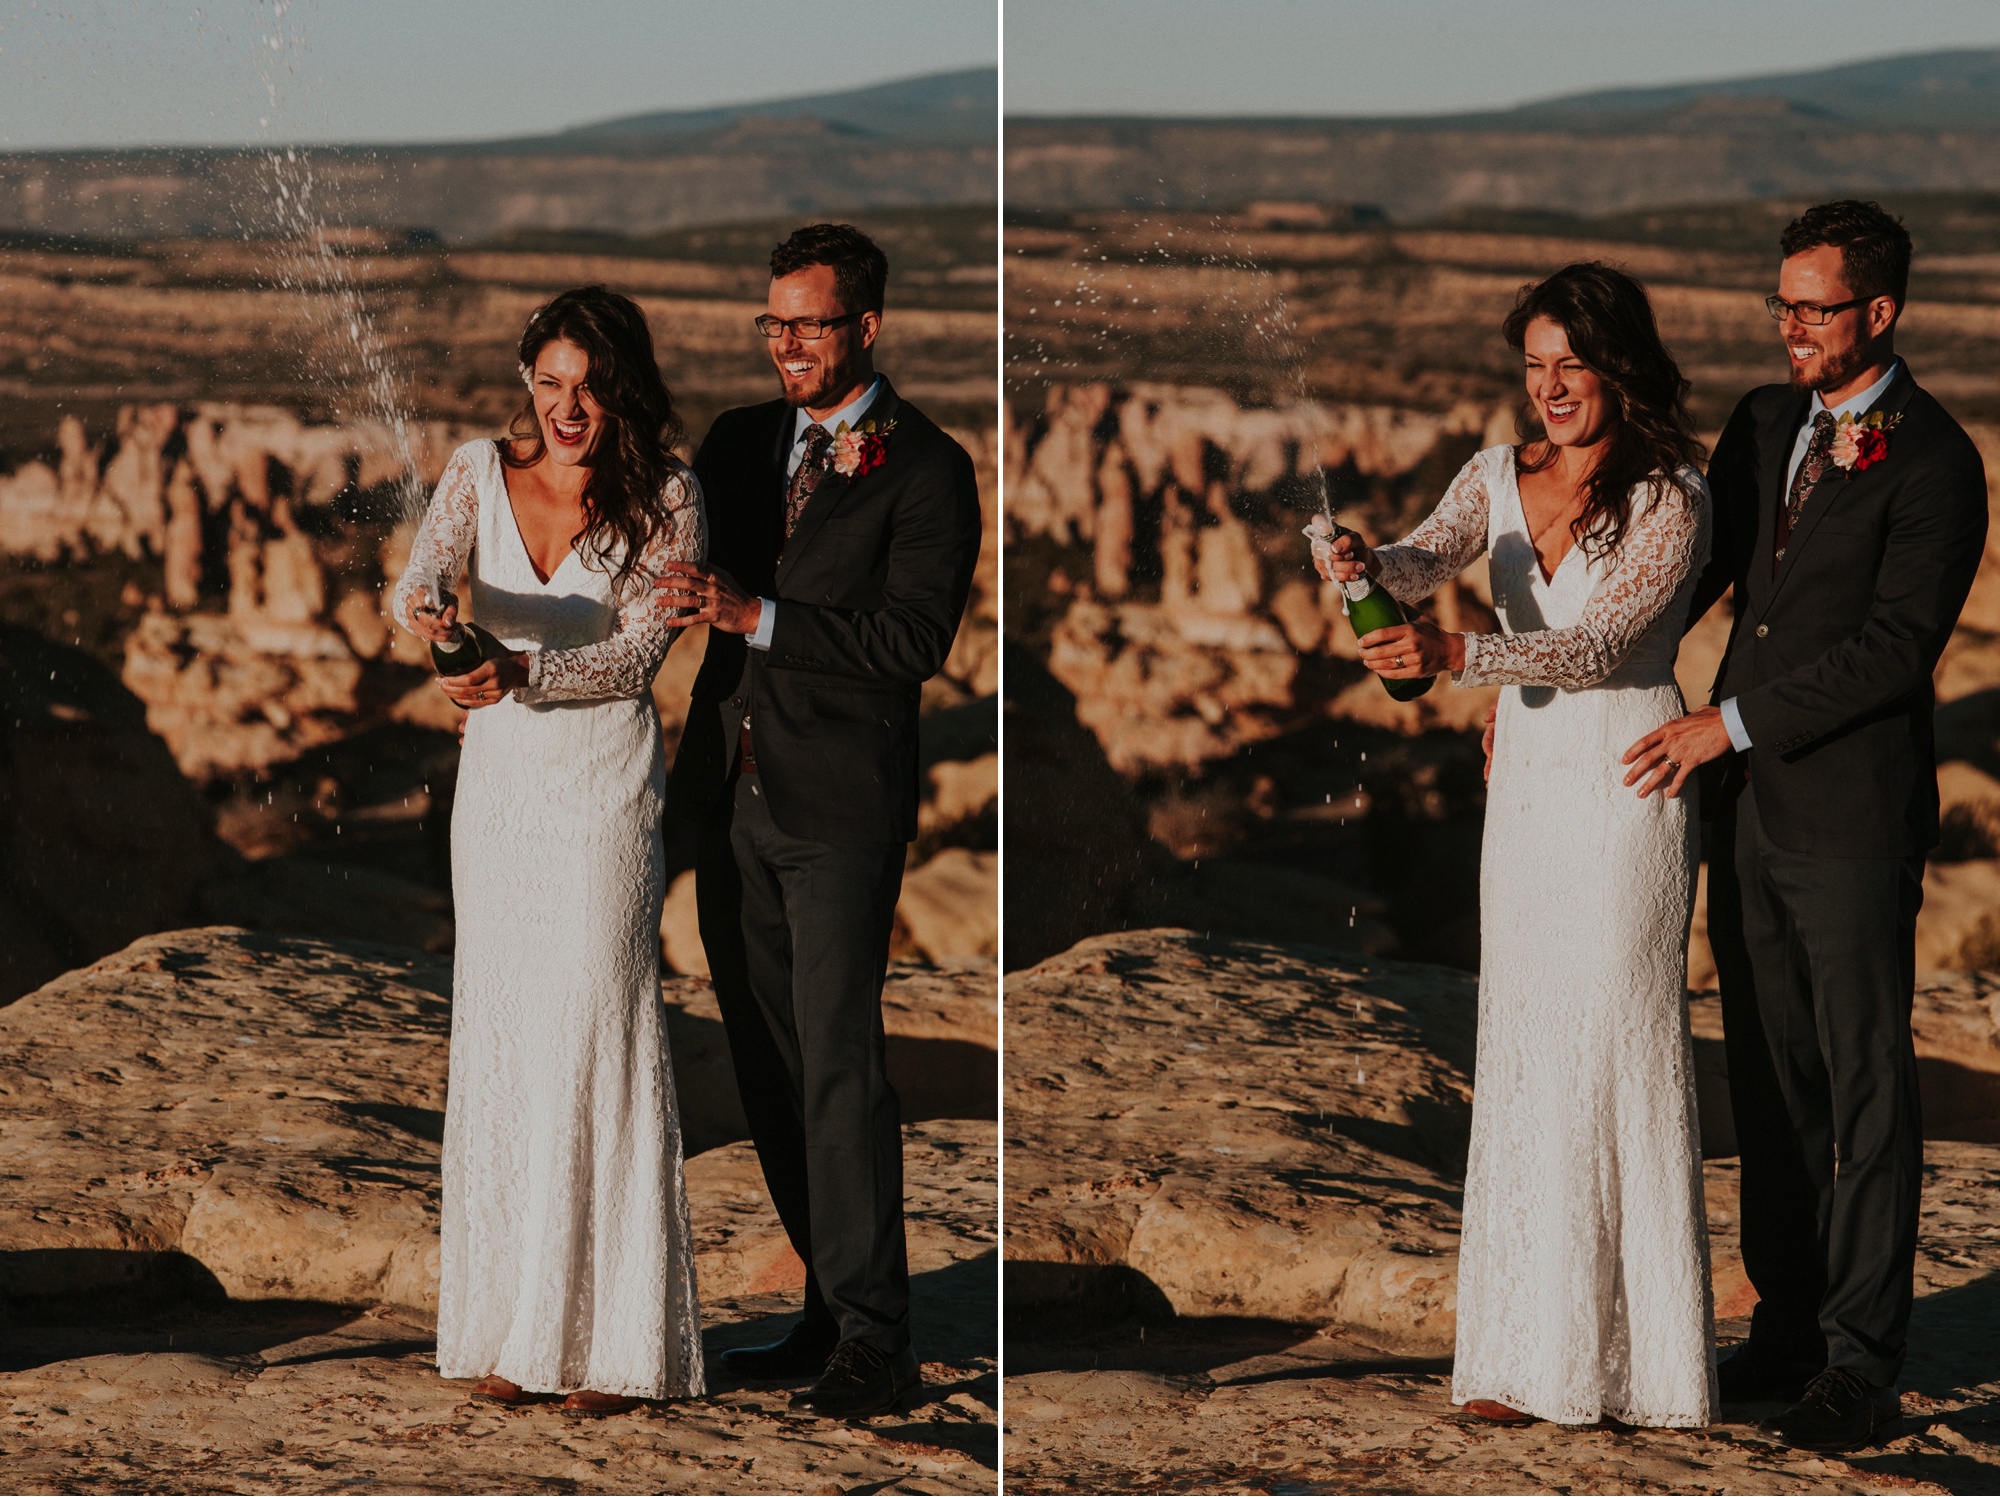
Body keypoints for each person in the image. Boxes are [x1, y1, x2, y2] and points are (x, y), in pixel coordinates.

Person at [1312, 262, 1715, 1428]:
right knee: (1530, 1043)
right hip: (1529, 784)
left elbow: (1595, 649)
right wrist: (1358, 565)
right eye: (1531, 365)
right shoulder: (1493, 473)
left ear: (1616, 364)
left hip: (1625, 775)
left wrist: (1454, 661)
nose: (1547, 387)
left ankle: (1635, 1370)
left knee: (1610, 1043)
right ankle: (1524, 1361)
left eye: (1568, 364)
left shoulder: (1668, 495)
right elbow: (1423, 559)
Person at [1625, 200, 1988, 1452]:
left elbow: (1893, 652)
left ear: (1875, 314)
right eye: (1777, 304)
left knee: (1863, 1085)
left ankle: (1860, 1364)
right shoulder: (1764, 419)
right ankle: (1781, 1329)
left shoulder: (1937, 462)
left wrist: (1722, 727)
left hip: (1846, 816)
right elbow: (1701, 572)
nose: (1786, 328)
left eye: (1811, 308)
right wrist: (1594, 681)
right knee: (1771, 1081)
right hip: (1749, 816)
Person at [657, 223, 982, 1418]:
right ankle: (823, 1313)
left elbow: (911, 644)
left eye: (810, 323)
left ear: (867, 328)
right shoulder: (741, 441)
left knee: (840, 1066)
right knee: (769, 1063)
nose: (788, 344)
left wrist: (759, 618)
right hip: (727, 791)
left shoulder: (929, 469)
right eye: (773, 322)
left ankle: (878, 1342)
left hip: (839, 810)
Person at [393, 286, 707, 1416]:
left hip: (600, 795)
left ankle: (620, 1352)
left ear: (622, 383)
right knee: (510, 1040)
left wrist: (522, 671)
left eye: (588, 383)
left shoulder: (670, 493)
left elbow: (635, 660)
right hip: (500, 794)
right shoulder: (477, 470)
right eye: (548, 381)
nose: (567, 406)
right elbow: (413, 586)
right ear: (525, 382)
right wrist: (433, 615)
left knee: (593, 1031)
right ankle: (514, 1332)